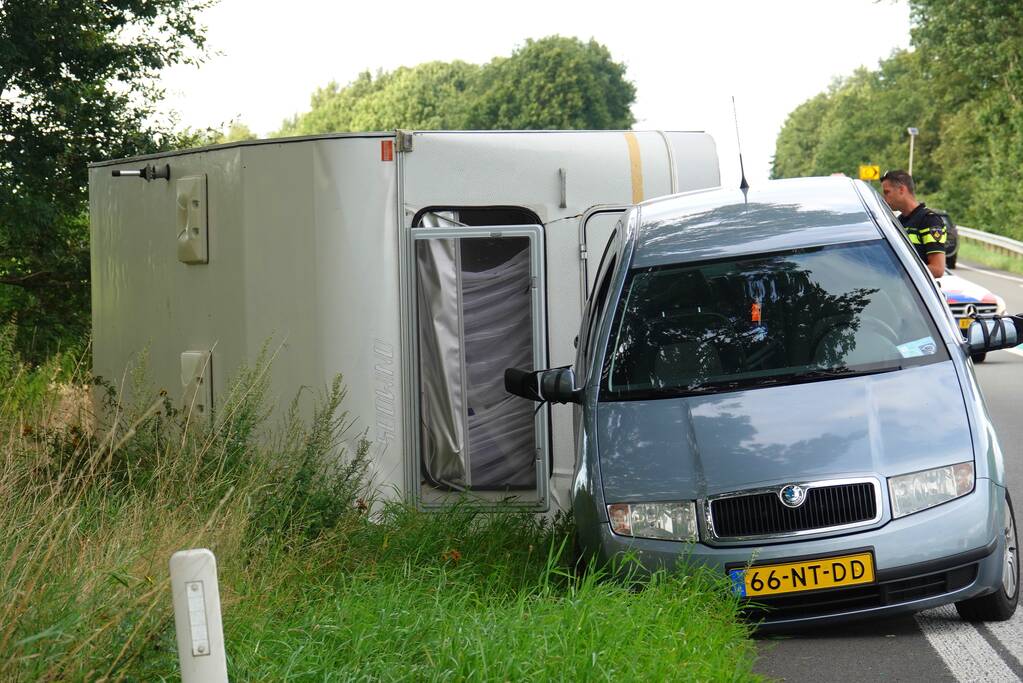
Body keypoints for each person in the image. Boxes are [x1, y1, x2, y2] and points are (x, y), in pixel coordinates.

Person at [879, 170, 946, 278]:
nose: (884, 198)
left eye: (887, 192)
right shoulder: (898, 221)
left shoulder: (929, 221)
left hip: (918, 292)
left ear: (901, 189)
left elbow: (937, 269)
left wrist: (899, 271)